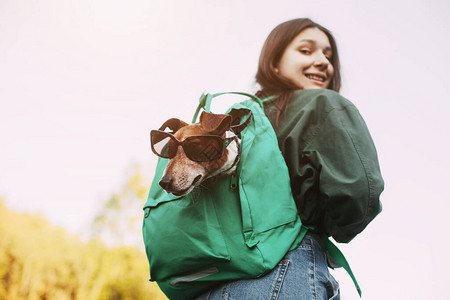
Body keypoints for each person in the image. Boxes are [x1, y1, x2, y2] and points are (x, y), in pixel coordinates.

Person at [195, 18, 384, 300]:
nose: (323, 62)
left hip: (211, 283)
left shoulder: (236, 120)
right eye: (306, 51)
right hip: (285, 270)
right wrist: (325, 225)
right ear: (274, 62)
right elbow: (359, 194)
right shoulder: (323, 104)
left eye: (328, 56)